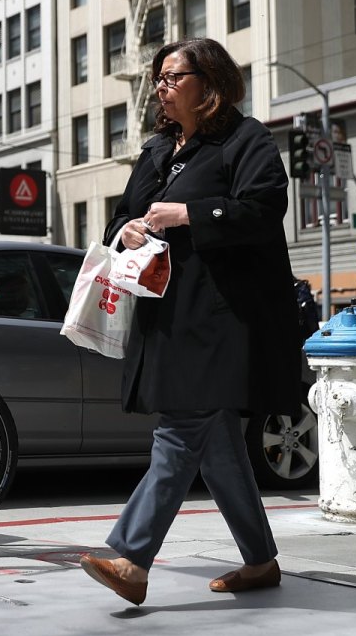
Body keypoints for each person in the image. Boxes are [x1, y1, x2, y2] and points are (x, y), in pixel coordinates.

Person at [79, 38, 300, 606]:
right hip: (168, 317)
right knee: (218, 443)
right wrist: (125, 228)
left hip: (224, 319)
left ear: (210, 84)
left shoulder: (245, 140)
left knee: (180, 432)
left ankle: (132, 557)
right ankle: (260, 562)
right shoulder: (157, 150)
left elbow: (263, 208)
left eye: (174, 76)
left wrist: (190, 214)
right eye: (159, 77)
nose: (162, 86)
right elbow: (120, 218)